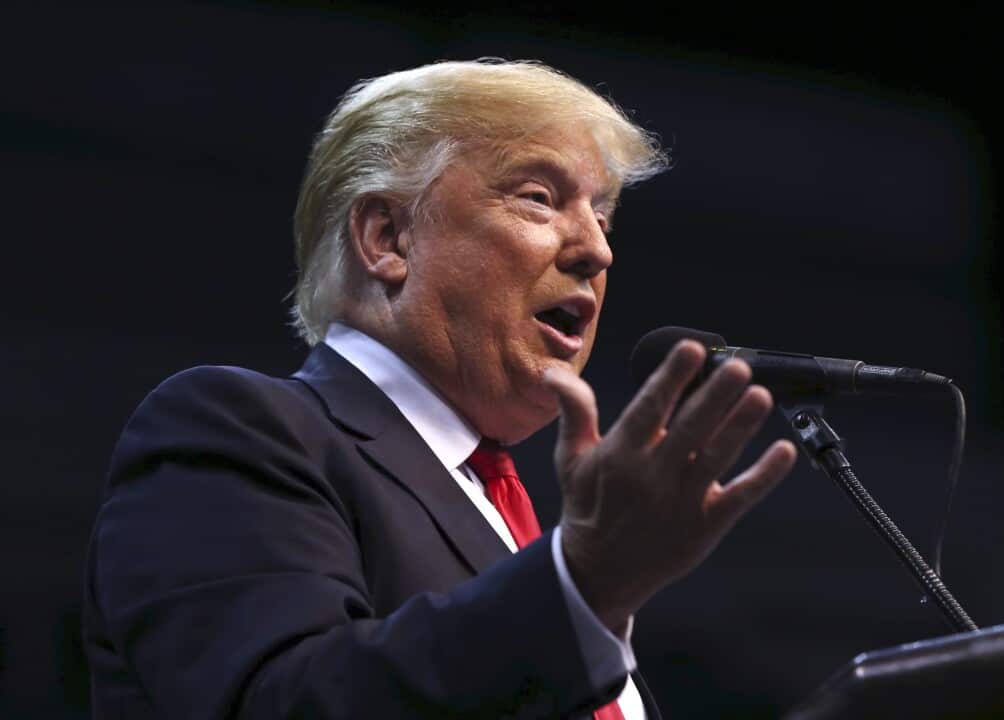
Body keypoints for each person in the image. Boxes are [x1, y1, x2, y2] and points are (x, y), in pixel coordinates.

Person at [82, 59, 797, 718]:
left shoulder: (514, 517)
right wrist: (582, 587)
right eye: (540, 198)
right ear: (388, 238)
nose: (597, 250)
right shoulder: (236, 429)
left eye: (602, 216)